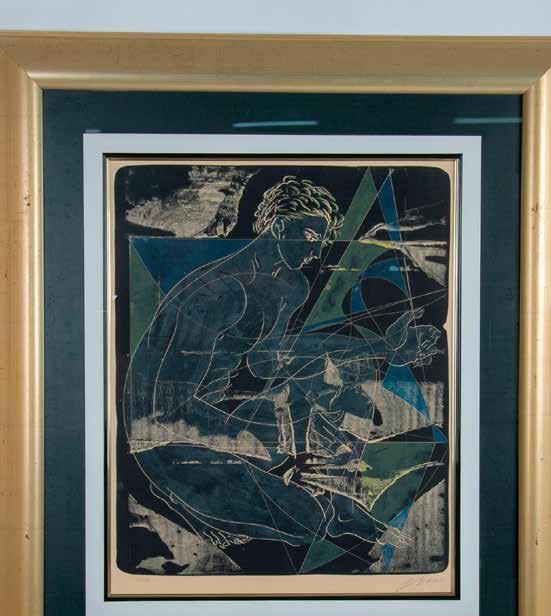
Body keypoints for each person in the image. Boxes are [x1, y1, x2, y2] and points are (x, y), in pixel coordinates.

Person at [124, 176, 440, 548]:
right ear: (278, 227)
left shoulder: (288, 286)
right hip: (160, 438)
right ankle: (185, 494)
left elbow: (271, 360)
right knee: (309, 520)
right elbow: (166, 410)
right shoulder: (220, 292)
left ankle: (321, 479)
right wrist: (259, 440)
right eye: (310, 237)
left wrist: (382, 348)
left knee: (312, 398)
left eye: (323, 241)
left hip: (220, 415)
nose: (316, 252)